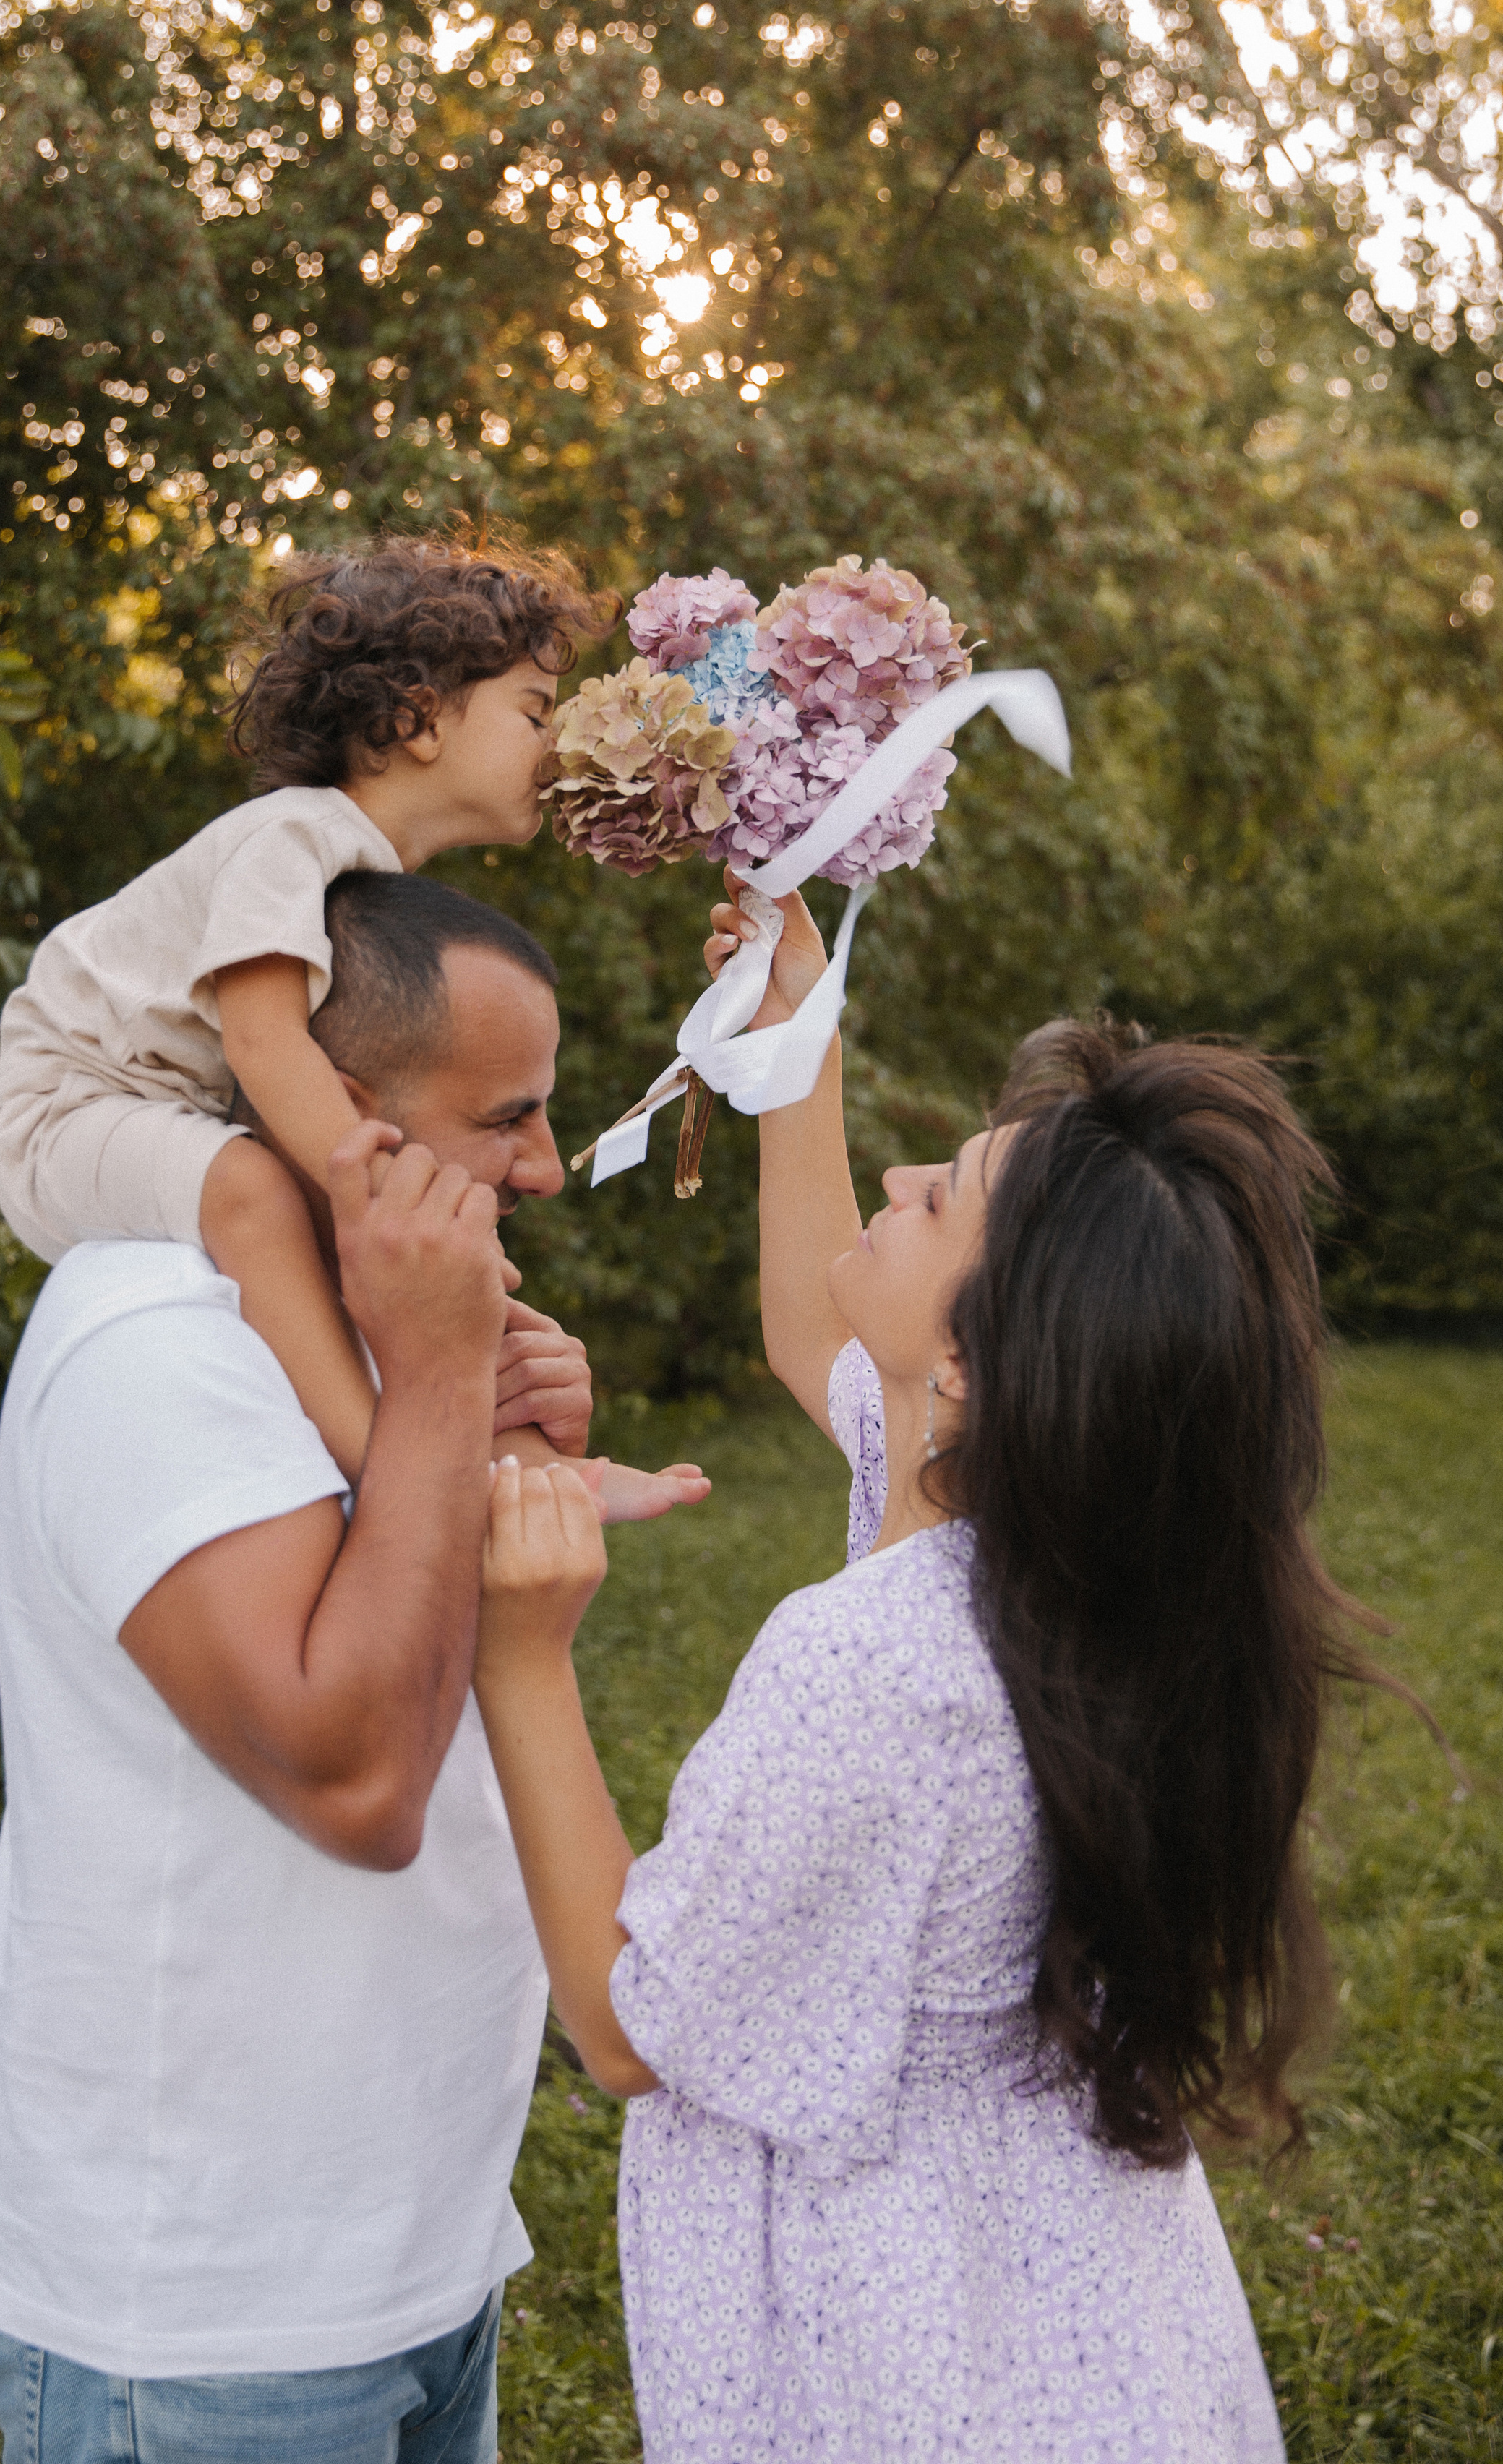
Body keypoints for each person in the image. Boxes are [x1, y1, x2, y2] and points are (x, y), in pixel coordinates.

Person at [468, 877, 1381, 2459]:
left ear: (962, 1363)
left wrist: (521, 1653)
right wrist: (795, 1036)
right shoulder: (1053, 1542)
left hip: (904, 2340)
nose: (896, 1179)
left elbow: (627, 2027)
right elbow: (808, 1319)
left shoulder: (866, 1665)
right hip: (1068, 2297)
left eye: (938, 1193)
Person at [0, 877, 704, 2463]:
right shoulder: (159, 1339)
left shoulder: (364, 1326)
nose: (547, 1166)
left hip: (408, 2245)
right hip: (205, 2316)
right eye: (507, 1117)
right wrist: (443, 1378)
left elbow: (416, 1637)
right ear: (341, 1113)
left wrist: (507, 1455)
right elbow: (356, 1781)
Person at [0, 530, 618, 1484]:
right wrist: (389, 1201)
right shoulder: (290, 838)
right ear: (418, 719)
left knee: (388, 1223)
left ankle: (516, 1458)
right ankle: (398, 1471)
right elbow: (264, 1039)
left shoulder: (364, 874)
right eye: (535, 712)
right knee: (257, 1190)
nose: (557, 744)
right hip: (69, 1111)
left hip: (164, 1111)